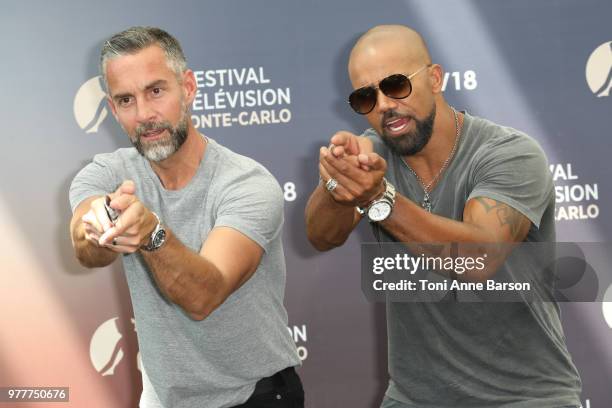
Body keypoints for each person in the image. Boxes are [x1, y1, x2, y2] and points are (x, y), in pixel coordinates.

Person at [305, 25, 582, 407]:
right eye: (366, 97)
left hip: (525, 396)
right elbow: (322, 236)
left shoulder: (508, 153)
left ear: (434, 78)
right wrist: (337, 185)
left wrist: (379, 196)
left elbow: (479, 258)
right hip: (414, 398)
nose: (384, 105)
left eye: (396, 85)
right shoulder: (372, 159)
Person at [69, 26, 303, 408]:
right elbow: (86, 249)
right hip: (165, 398)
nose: (144, 114)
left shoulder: (246, 183)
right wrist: (97, 227)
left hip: (254, 395)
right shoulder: (106, 173)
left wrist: (150, 233)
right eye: (126, 100)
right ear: (113, 110)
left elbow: (203, 296)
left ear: (189, 88)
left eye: (156, 91)